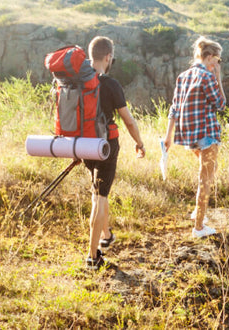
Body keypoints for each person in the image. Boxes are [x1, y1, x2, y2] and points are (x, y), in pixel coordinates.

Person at [83, 36, 147, 269]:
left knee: (99, 188)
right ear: (108, 57)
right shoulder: (110, 84)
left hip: (83, 145)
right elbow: (128, 121)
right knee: (98, 197)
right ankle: (92, 256)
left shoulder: (79, 81)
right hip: (105, 147)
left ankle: (106, 234)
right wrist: (140, 142)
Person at [163, 36, 226, 238]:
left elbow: (174, 108)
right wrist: (218, 78)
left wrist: (168, 136)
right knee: (205, 179)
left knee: (210, 169)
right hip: (206, 133)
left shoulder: (183, 76)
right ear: (209, 58)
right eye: (218, 60)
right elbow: (221, 104)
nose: (218, 64)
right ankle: (199, 227)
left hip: (189, 135)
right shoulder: (208, 77)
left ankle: (198, 213)